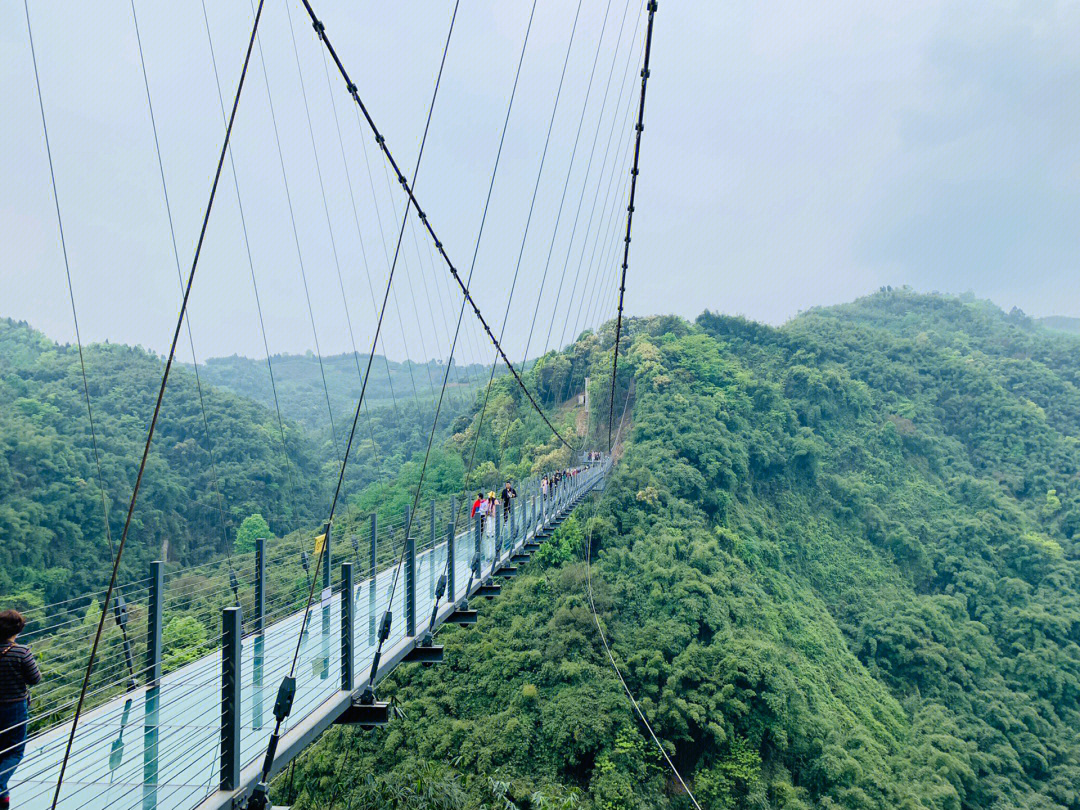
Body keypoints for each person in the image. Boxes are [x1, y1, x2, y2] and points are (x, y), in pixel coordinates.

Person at [1, 610, 40, 809]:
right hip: (15, 707)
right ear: (19, 629)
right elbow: (34, 679)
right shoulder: (21, 652)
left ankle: (3, 799)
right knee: (14, 752)